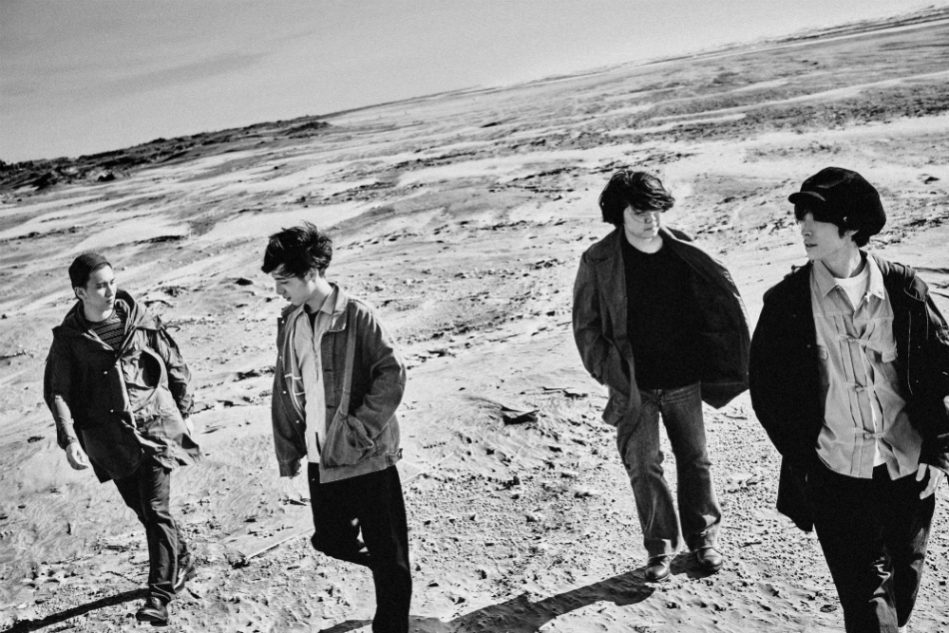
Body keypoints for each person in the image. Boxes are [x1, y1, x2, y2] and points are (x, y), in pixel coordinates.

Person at [749, 166, 949, 632]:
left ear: (851, 226)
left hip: (906, 470)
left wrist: (938, 450)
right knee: (866, 604)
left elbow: (939, 369)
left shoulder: (903, 288)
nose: (804, 228)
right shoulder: (787, 303)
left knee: (900, 591)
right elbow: (768, 392)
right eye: (800, 217)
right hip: (836, 476)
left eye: (815, 217)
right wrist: (805, 460)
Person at [572, 169, 750, 582]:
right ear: (619, 213)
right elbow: (586, 328)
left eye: (655, 209)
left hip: (684, 380)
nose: (651, 219)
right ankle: (660, 549)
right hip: (633, 387)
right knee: (643, 466)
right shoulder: (598, 260)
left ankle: (704, 540)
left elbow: (716, 305)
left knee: (696, 460)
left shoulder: (683, 249)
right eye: (639, 211)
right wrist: (611, 373)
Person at [262, 222, 410, 633]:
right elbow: (287, 388)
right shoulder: (291, 322)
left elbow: (392, 374)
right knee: (330, 539)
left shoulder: (357, 315)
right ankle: (386, 566)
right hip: (321, 455)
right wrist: (289, 449)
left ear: (311, 271)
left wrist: (360, 431)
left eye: (284, 280)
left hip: (366, 456)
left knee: (390, 553)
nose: (278, 290)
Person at [43, 252, 199, 625]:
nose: (110, 290)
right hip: (109, 440)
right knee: (143, 510)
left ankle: (158, 596)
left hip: (155, 425)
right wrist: (70, 439)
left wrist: (185, 412)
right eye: (100, 286)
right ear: (80, 292)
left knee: (156, 509)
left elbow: (174, 362)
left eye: (112, 282)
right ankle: (181, 557)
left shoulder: (139, 319)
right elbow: (58, 391)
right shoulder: (69, 340)